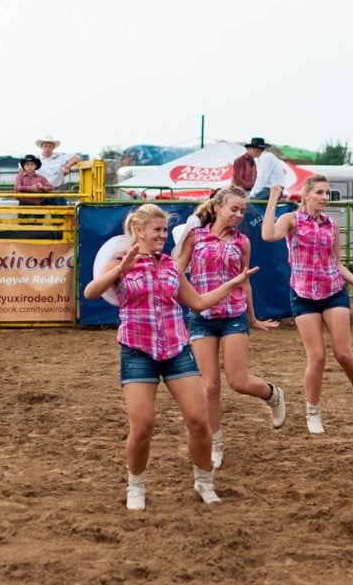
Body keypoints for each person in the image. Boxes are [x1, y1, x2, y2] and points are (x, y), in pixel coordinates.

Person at [84, 203, 257, 510]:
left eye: (165, 230)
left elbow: (199, 302)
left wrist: (231, 285)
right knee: (143, 425)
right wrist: (120, 270)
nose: (163, 235)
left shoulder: (171, 266)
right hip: (138, 351)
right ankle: (136, 485)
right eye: (157, 230)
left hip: (177, 349)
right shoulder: (121, 262)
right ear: (139, 231)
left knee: (197, 419)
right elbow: (90, 293)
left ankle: (204, 482)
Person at [261, 175, 353, 434]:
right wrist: (273, 198)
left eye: (328, 193)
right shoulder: (292, 221)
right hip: (304, 294)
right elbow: (268, 235)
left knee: (343, 353)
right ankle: (313, 410)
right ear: (306, 195)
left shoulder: (332, 225)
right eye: (320, 192)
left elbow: (337, 263)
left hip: (333, 292)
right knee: (316, 357)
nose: (325, 198)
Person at [174, 186, 285, 469]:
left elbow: (244, 280)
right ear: (218, 207)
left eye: (242, 211)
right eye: (233, 209)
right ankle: (216, 442)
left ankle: (272, 393)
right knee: (209, 386)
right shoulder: (194, 237)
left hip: (233, 315)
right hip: (201, 316)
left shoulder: (243, 242)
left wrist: (252, 317)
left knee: (238, 381)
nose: (238, 214)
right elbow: (175, 272)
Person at [35, 134, 81, 204]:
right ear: (42, 147)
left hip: (55, 190)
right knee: (36, 212)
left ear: (53, 147)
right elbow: (21, 168)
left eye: (50, 146)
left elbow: (77, 157)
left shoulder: (60, 156)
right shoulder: (35, 158)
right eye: (45, 146)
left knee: (60, 210)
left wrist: (67, 167)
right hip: (40, 190)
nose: (47, 149)